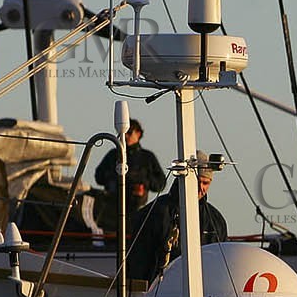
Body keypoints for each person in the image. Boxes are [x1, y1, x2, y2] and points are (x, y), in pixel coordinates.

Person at [129, 152, 228, 283]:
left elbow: (221, 264)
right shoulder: (156, 213)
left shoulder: (215, 221)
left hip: (205, 293)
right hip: (159, 293)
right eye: (197, 182)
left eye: (206, 183)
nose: (201, 188)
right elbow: (138, 261)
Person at [95, 118, 168, 225]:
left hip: (137, 211)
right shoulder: (113, 155)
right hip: (112, 210)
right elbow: (99, 176)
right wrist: (115, 177)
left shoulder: (147, 157)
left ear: (138, 133)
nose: (126, 136)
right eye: (123, 133)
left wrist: (144, 181)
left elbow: (161, 184)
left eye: (129, 132)